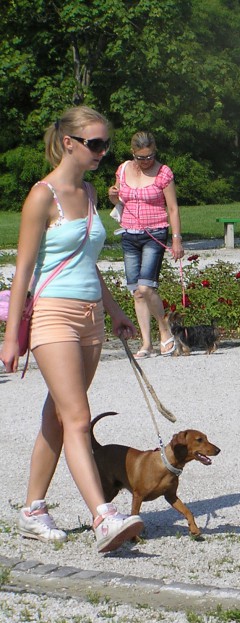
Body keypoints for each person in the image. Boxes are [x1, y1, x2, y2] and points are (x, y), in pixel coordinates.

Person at [0, 106, 146, 552]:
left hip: (91, 318)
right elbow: (23, 268)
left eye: (106, 144)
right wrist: (9, 336)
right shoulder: (42, 196)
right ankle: (104, 516)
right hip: (52, 315)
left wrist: (116, 310)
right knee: (78, 417)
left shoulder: (89, 193)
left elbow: (88, 260)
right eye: (95, 144)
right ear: (69, 142)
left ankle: (32, 510)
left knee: (58, 416)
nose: (103, 152)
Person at [108, 131, 184, 358]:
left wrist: (177, 239)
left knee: (146, 286)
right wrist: (112, 195)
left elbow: (173, 208)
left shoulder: (163, 173)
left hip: (155, 233)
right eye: (141, 158)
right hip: (129, 233)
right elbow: (119, 200)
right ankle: (146, 343)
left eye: (150, 156)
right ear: (133, 153)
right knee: (136, 292)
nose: (146, 161)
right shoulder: (123, 170)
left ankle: (164, 330)